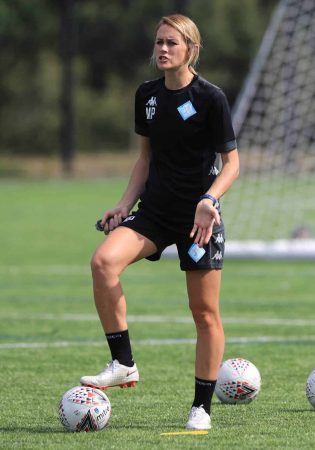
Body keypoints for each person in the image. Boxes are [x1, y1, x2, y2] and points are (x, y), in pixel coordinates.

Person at [79, 14, 239, 430]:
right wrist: (122, 204)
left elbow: (233, 164)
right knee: (103, 263)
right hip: (153, 211)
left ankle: (201, 407)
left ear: (191, 48)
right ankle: (123, 362)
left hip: (198, 219)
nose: (162, 49)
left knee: (204, 313)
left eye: (172, 43)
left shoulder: (210, 97)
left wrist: (209, 199)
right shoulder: (146, 95)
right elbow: (144, 159)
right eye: (159, 42)